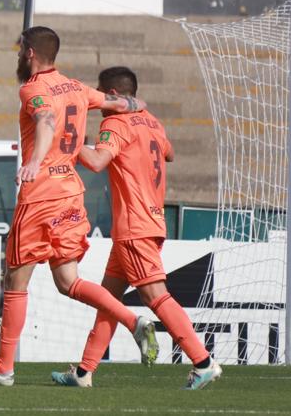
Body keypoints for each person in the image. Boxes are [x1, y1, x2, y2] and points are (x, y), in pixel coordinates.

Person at [0, 26, 159, 387]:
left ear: (29, 53)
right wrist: (137, 107)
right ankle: (134, 321)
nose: (18, 55)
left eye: (20, 50)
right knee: (68, 281)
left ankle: (4, 368)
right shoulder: (77, 88)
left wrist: (35, 161)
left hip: (40, 197)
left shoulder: (32, 89)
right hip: (71, 193)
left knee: (15, 279)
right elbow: (127, 104)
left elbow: (45, 122)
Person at [51, 66, 222, 391]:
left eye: (102, 94)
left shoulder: (115, 122)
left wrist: (69, 144)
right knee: (110, 299)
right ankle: (85, 372)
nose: (100, 102)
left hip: (135, 224)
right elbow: (169, 154)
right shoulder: (152, 120)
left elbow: (98, 162)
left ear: (114, 95)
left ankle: (203, 361)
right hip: (149, 220)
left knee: (155, 295)